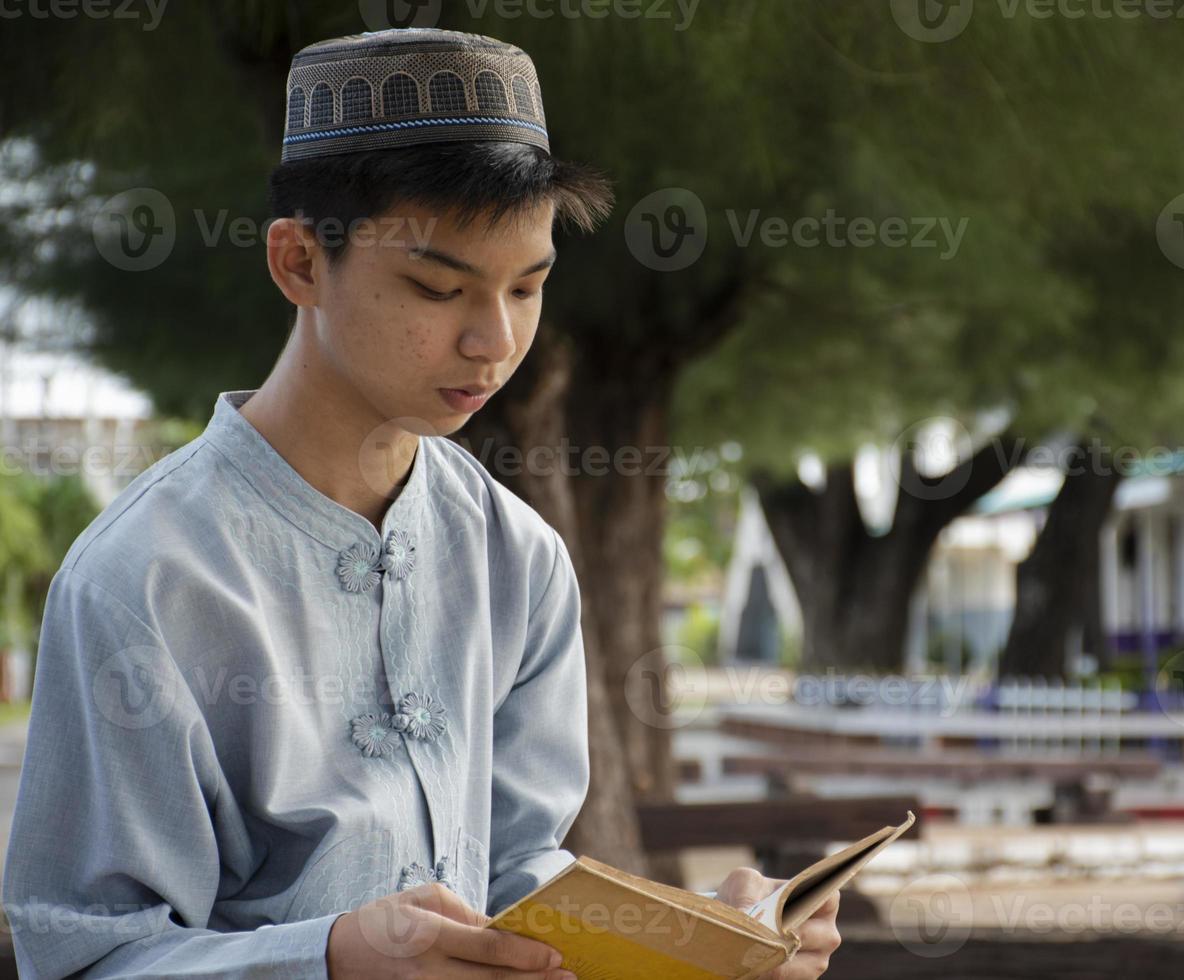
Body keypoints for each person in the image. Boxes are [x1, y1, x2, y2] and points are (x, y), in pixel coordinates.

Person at [2, 26, 840, 979]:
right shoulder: (142, 581)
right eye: (437, 288)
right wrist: (329, 958)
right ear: (299, 264)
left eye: (528, 288)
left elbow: (523, 882)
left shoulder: (515, 556)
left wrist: (704, 939)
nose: (494, 340)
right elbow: (84, 958)